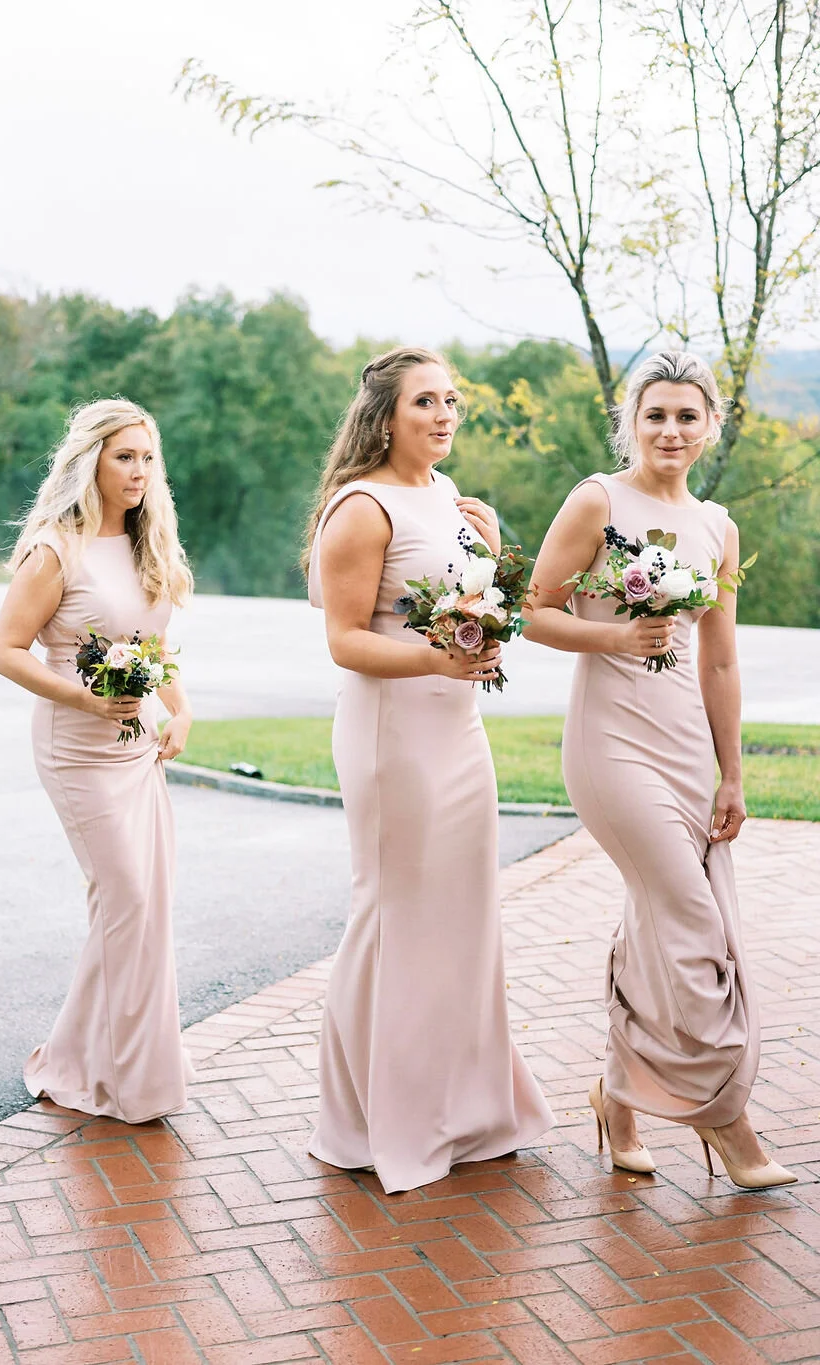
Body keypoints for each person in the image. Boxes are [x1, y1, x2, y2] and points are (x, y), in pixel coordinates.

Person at [524, 350, 794, 1189]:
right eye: (655, 415)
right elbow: (533, 608)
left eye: (687, 416)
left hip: (686, 744)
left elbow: (719, 663)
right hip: (611, 743)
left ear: (711, 425)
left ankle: (619, 1097)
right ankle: (729, 1123)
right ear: (630, 422)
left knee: (656, 919)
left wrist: (733, 774)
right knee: (692, 927)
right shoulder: (598, 501)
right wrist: (614, 635)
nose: (670, 430)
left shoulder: (718, 525)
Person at [305, 346, 554, 1194]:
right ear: (385, 416)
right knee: (394, 913)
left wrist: (495, 553)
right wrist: (438, 662)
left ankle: (468, 1109)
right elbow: (345, 641)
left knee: (462, 915)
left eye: (451, 399)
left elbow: (491, 617)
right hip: (393, 735)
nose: (444, 414)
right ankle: (368, 1118)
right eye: (425, 402)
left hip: (459, 730)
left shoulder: (450, 497)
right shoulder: (363, 507)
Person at [0, 398, 194, 1121]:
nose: (139, 471)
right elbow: (4, 650)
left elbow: (152, 643)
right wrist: (82, 698)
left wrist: (180, 706)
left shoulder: (147, 542)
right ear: (92, 462)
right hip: (75, 748)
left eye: (146, 457)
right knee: (129, 897)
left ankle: (107, 1062)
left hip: (135, 749)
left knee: (141, 901)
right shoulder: (57, 548)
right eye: (124, 456)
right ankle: (87, 1062)